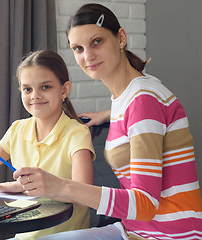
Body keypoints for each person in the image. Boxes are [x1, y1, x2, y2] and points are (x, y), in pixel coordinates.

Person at [13, 4, 202, 240]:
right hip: (133, 229)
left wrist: (61, 186)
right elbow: (144, 116)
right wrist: (109, 114)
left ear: (120, 38)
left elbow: (145, 205)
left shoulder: (143, 100)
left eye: (97, 42)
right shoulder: (130, 96)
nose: (87, 56)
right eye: (78, 48)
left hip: (168, 234)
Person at [0, 49, 96, 240]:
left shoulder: (76, 133)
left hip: (66, 235)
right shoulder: (17, 129)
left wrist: (21, 187)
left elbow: (83, 193)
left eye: (45, 87)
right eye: (27, 89)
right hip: (25, 236)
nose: (35, 95)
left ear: (64, 90)